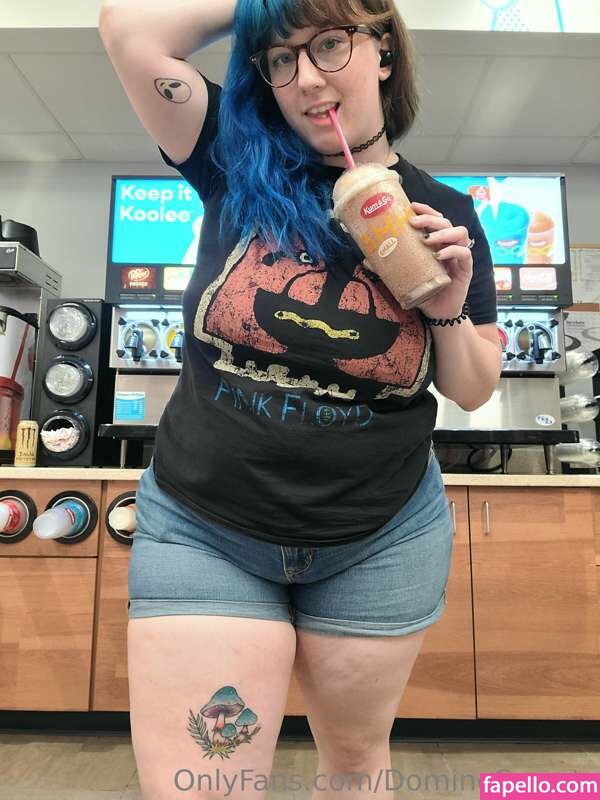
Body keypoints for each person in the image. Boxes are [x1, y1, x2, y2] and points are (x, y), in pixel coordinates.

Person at [99, 0, 502, 797]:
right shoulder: (231, 159)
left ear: (383, 51)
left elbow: (471, 385)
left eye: (330, 45)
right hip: (207, 526)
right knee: (202, 782)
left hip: (379, 537)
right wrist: (273, 5)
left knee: (354, 768)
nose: (308, 78)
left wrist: (446, 304)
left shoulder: (448, 214)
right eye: (281, 59)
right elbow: (126, 28)